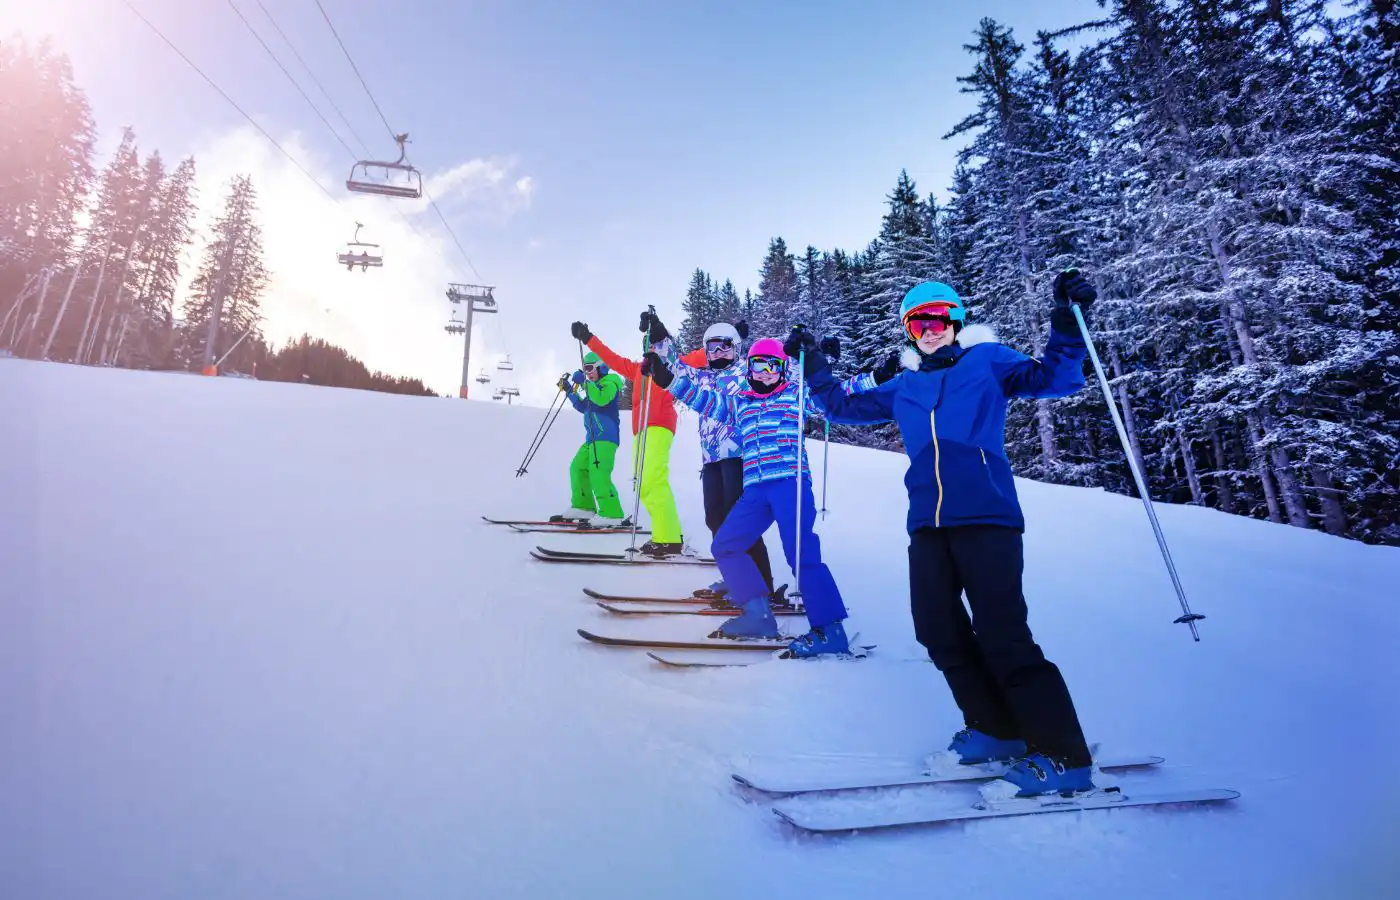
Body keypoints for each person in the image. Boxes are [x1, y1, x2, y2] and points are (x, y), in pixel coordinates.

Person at [795, 274, 1099, 797]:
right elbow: (842, 408)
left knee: (1004, 635)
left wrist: (1067, 319)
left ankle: (1065, 755)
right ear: (909, 331)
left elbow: (1057, 378)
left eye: (938, 320)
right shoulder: (906, 385)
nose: (929, 330)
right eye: (918, 322)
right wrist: (815, 367)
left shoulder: (988, 362)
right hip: (928, 524)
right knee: (936, 629)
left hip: (987, 517)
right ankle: (996, 729)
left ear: (955, 322)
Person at [645, 311, 878, 608]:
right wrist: (659, 339)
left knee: (743, 522)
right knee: (716, 519)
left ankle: (762, 586)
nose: (718, 353)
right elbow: (674, 370)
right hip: (712, 457)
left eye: (725, 346)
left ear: (737, 348)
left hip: (745, 456)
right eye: (712, 348)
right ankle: (739, 581)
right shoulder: (702, 376)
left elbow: (788, 367)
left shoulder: (747, 370)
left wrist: (819, 353)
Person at [641, 338, 851, 659]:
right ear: (748, 369)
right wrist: (669, 380)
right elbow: (703, 400)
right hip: (756, 489)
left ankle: (831, 629)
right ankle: (757, 615)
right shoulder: (741, 403)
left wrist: (879, 375)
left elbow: (840, 394)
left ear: (783, 371)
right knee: (725, 544)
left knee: (800, 553)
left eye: (772, 367)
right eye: (758, 366)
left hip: (789, 483)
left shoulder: (795, 396)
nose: (765, 373)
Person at [570, 320, 687, 558]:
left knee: (653, 480)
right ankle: (668, 534)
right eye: (649, 346)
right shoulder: (637, 369)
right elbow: (611, 359)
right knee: (644, 484)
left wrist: (733, 334)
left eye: (657, 345)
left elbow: (697, 358)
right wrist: (588, 338)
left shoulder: (672, 365)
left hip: (659, 424)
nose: (652, 350)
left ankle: (669, 540)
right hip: (642, 429)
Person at [550, 352, 627, 527]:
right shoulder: (593, 387)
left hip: (606, 438)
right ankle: (583, 506)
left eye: (590, 369)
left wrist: (585, 384)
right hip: (591, 439)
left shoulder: (610, 383)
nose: (588, 373)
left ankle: (612, 513)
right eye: (585, 370)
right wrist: (569, 390)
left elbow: (601, 399)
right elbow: (583, 406)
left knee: (599, 473)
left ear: (602, 367)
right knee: (577, 467)